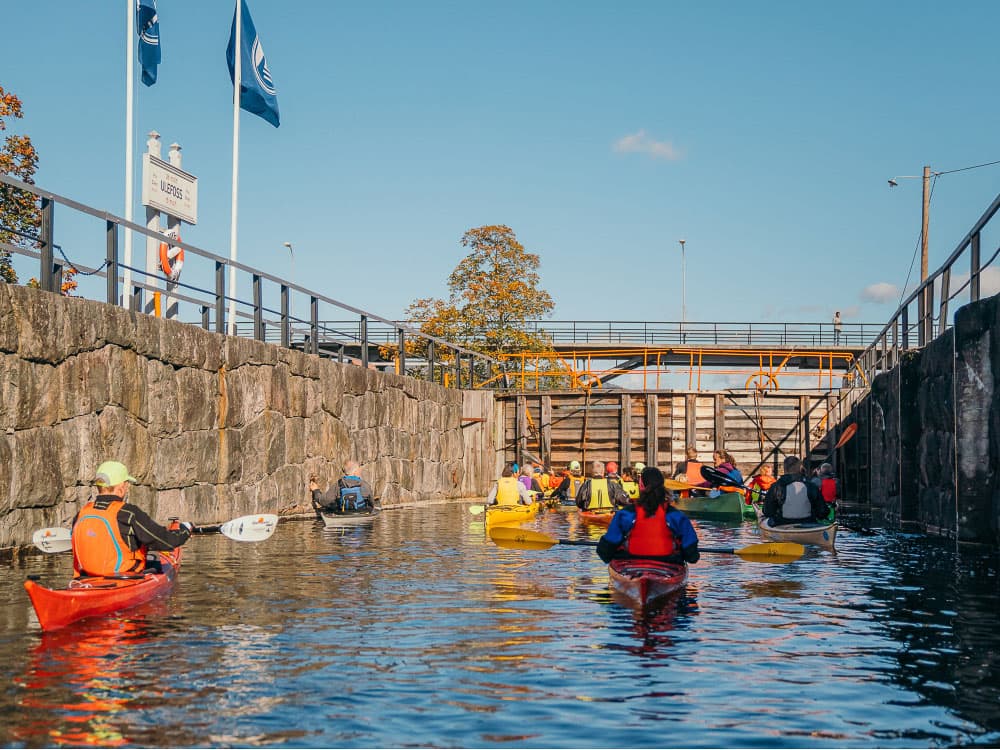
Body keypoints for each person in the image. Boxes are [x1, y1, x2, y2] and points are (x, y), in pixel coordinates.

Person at [71, 461, 193, 578]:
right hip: (125, 579)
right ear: (121, 487)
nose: (127, 487)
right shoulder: (128, 513)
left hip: (85, 578)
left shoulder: (80, 514)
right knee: (154, 560)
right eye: (126, 483)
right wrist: (185, 530)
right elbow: (165, 541)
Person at [596, 466, 700, 565]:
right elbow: (692, 556)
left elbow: (605, 552)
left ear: (641, 486)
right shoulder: (676, 516)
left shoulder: (625, 514)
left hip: (632, 565)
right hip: (667, 565)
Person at [762, 455, 828, 525]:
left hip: (782, 524)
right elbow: (822, 512)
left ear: (785, 469)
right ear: (800, 468)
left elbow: (767, 512)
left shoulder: (775, 487)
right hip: (808, 525)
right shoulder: (811, 486)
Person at [310, 460, 375, 514]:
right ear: (355, 472)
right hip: (361, 513)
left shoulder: (338, 484)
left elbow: (323, 501)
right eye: (359, 470)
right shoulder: (364, 485)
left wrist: (316, 490)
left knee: (333, 505)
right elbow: (371, 503)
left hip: (344, 513)